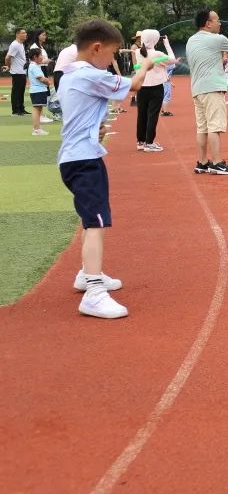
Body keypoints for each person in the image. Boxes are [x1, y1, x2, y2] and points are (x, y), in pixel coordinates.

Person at [57, 19, 156, 318]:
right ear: (97, 48)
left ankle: (87, 274)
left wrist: (94, 129)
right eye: (112, 54)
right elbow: (135, 86)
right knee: (96, 222)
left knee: (91, 219)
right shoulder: (88, 74)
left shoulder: (70, 75)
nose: (112, 61)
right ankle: (94, 292)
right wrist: (146, 64)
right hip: (83, 160)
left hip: (78, 156)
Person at [186, 9, 228, 175]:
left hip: (197, 90)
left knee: (202, 128)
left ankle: (202, 162)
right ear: (208, 23)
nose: (220, 23)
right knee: (214, 127)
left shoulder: (190, 40)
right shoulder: (217, 39)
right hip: (212, 88)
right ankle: (217, 163)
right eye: (217, 20)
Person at [132, 29, 176, 152]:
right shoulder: (157, 54)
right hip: (156, 87)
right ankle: (149, 143)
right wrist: (167, 43)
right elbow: (172, 60)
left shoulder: (137, 52)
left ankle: (141, 142)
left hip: (141, 87)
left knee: (142, 114)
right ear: (155, 40)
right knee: (152, 115)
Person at [4, 27, 28, 115]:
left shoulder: (21, 44)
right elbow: (7, 57)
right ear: (17, 34)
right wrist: (9, 66)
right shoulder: (15, 45)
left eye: (25, 33)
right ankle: (16, 110)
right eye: (23, 33)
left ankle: (21, 108)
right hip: (17, 72)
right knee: (16, 91)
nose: (25, 34)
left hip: (22, 71)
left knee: (21, 91)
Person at [28, 48, 51, 135]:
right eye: (41, 55)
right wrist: (47, 81)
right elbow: (40, 78)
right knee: (37, 110)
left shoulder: (33, 65)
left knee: (38, 109)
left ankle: (37, 129)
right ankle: (36, 129)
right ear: (35, 57)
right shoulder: (34, 66)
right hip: (38, 90)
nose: (42, 57)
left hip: (37, 90)